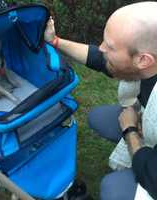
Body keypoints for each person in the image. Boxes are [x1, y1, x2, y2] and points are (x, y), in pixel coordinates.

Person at [44, 1, 157, 200]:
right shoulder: (149, 63)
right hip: (146, 121)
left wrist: (130, 130)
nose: (102, 49)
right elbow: (103, 60)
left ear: (143, 60)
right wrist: (55, 42)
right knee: (99, 117)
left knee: (113, 187)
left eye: (110, 47)